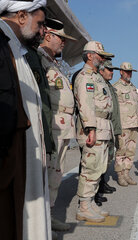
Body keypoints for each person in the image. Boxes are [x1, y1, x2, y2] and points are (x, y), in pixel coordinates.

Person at [0, 1, 53, 239]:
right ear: (21, 16)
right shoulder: (3, 48)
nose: (43, 31)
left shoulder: (16, 50)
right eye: (40, 24)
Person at [38, 25, 77, 231]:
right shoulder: (38, 59)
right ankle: (41, 220)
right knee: (47, 173)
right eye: (61, 38)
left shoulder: (54, 63)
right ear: (48, 35)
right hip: (51, 125)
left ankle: (49, 215)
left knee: (56, 173)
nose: (64, 43)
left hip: (63, 126)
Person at [74, 41, 114, 223]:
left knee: (98, 168)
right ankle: (83, 206)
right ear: (90, 55)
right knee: (90, 168)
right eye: (100, 55)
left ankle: (90, 204)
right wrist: (90, 129)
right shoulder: (85, 76)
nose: (103, 59)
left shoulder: (97, 77)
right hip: (94, 128)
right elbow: (86, 104)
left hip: (103, 127)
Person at [96, 60, 121, 203]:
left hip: (110, 127)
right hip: (100, 127)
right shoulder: (98, 84)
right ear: (101, 70)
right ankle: (95, 192)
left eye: (113, 70)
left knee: (106, 159)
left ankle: (102, 184)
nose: (112, 72)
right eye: (109, 69)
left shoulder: (109, 86)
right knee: (96, 161)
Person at [113, 62, 138, 186]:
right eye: (127, 71)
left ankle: (126, 174)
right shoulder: (116, 87)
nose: (129, 74)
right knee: (121, 151)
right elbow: (114, 108)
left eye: (130, 72)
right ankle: (119, 175)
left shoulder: (133, 87)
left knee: (130, 152)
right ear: (121, 71)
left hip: (134, 124)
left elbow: (137, 106)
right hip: (123, 124)